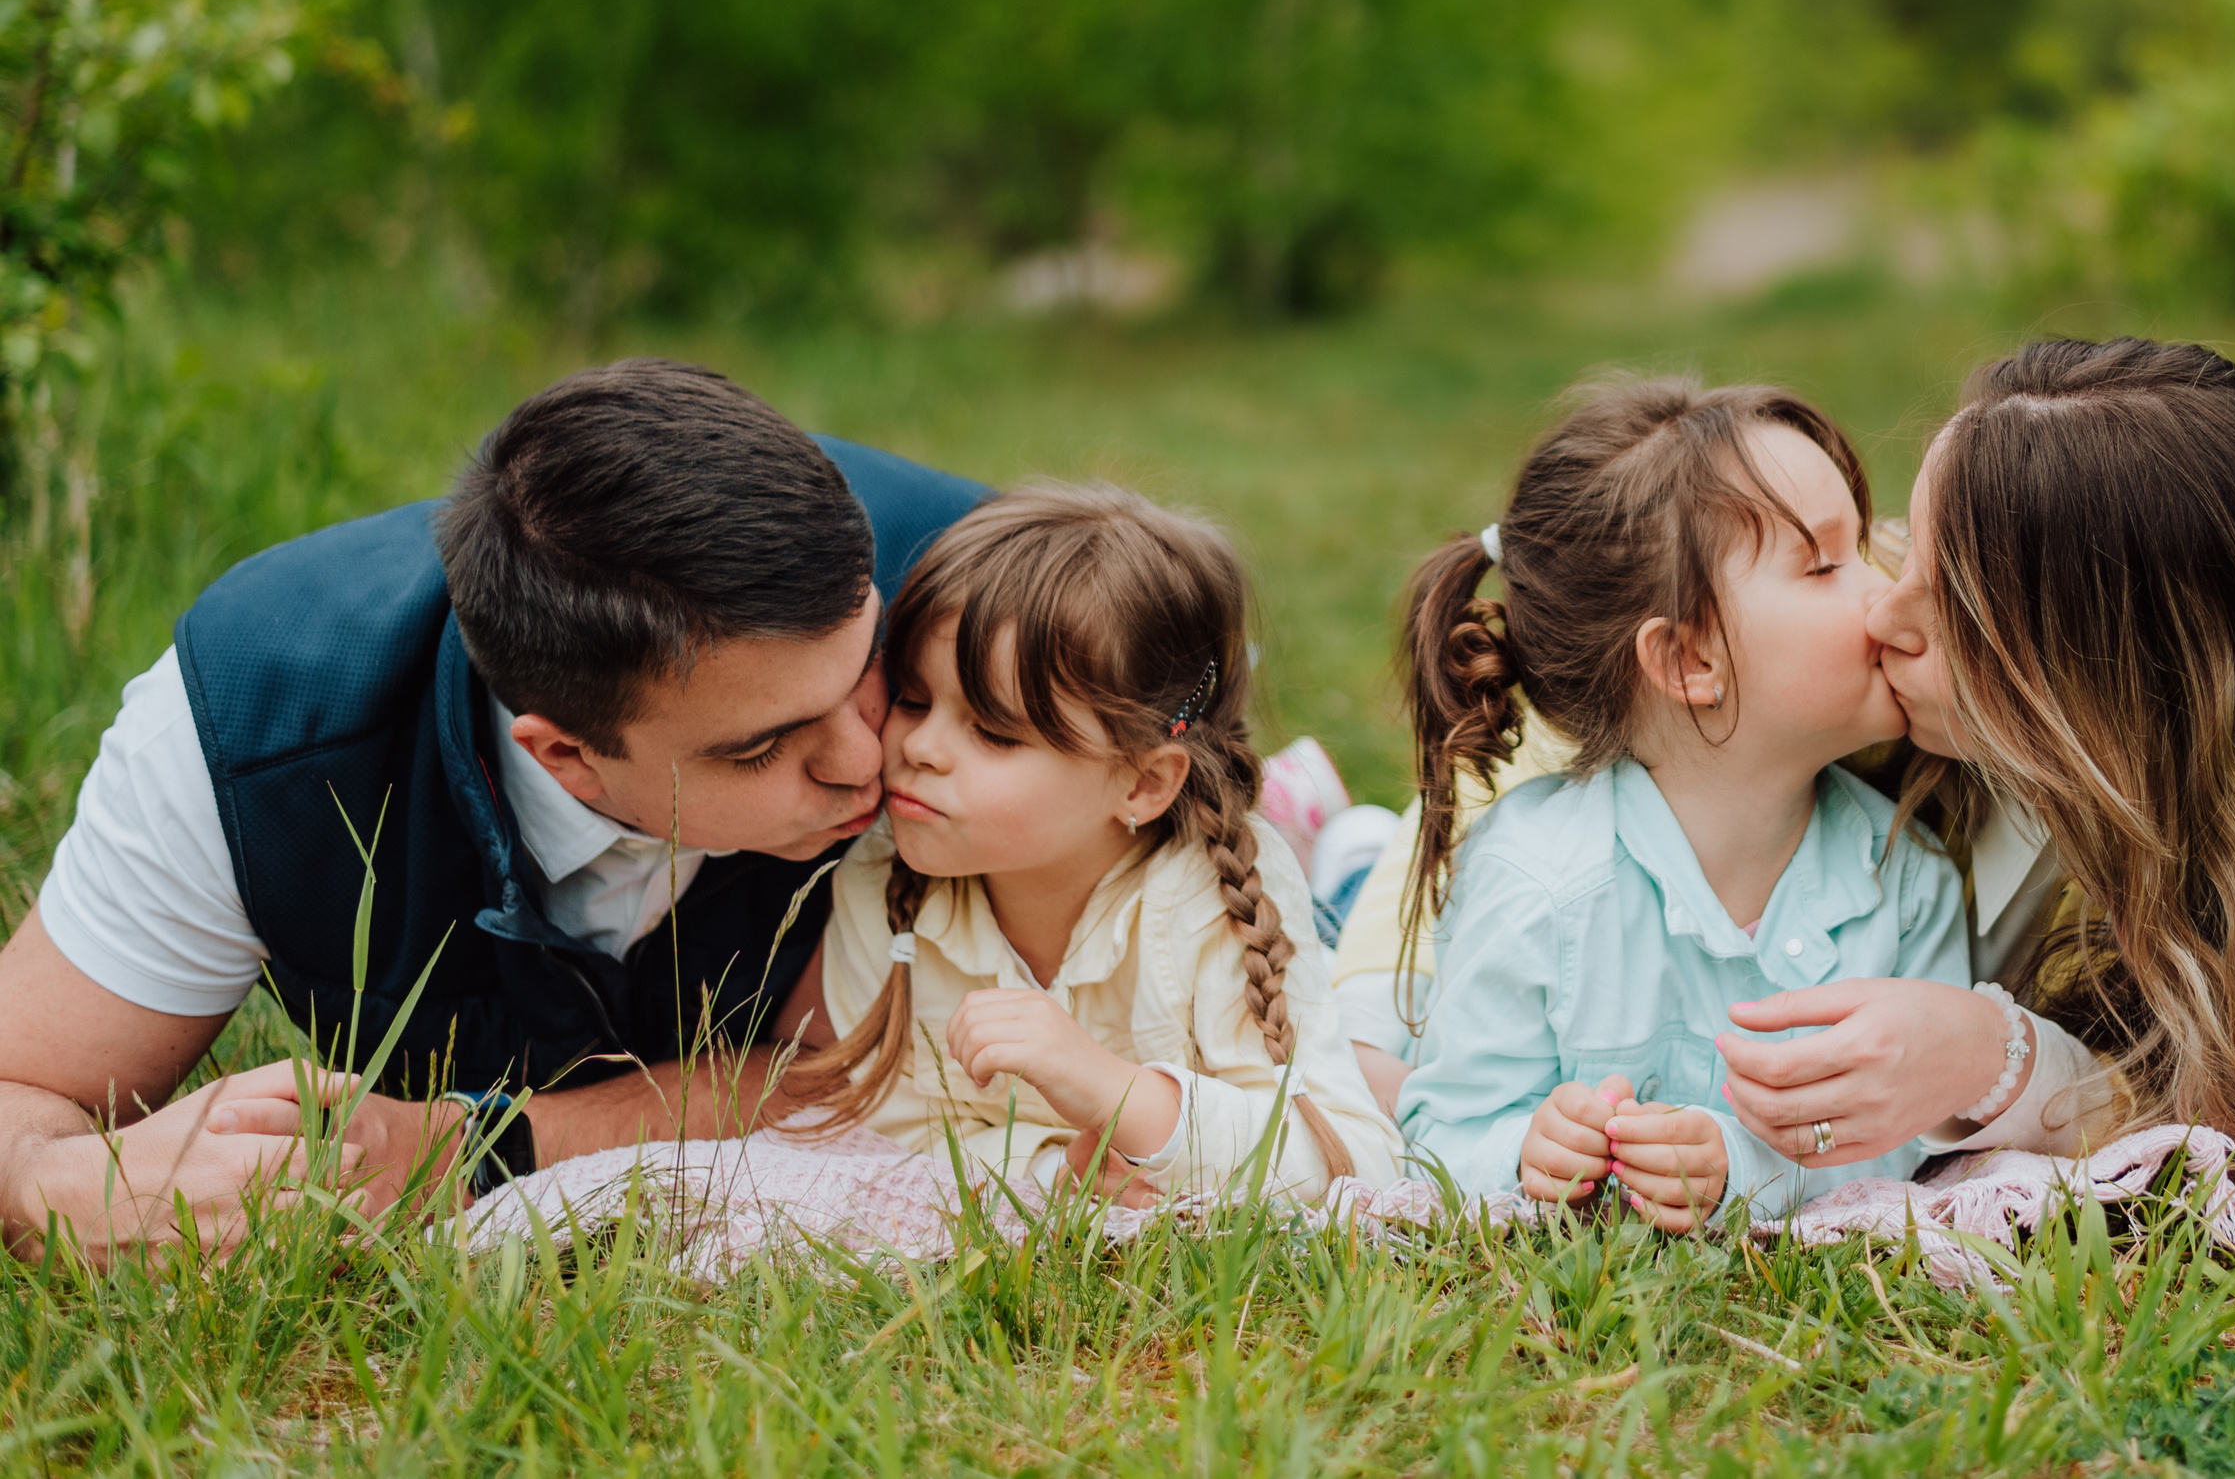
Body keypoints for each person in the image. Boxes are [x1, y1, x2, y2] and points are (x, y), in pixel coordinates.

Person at [0, 359, 986, 1259]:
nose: (873, 757)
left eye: (873, 664)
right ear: (566, 754)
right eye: (761, 746)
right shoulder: (252, 729)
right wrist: (60, 1188)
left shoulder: (990, 592)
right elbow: (21, 1087)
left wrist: (465, 1145)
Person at [1718, 337, 2235, 1166]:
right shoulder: (1848, 632)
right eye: (1911, 565)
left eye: (1955, 610)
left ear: (2109, 676)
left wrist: (1995, 1059)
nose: (1881, 617)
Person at [1392, 379, 1971, 1228]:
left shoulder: (1908, 882)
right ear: (1691, 661)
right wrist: (1523, 1151)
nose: (1883, 593)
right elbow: (1441, 1128)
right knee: (1370, 1033)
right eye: (1824, 565)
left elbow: (1922, 1141)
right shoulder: (1535, 884)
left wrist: (1746, 1164)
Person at [782, 484, 1401, 1203]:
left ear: (1142, 784)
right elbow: (887, 1125)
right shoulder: (884, 874)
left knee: (1384, 1047)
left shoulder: (1218, 897)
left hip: (1295, 918)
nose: (919, 747)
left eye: (993, 732)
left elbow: (1358, 1161)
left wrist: (1119, 1095)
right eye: (914, 700)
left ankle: (1354, 857)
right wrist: (1055, 1174)